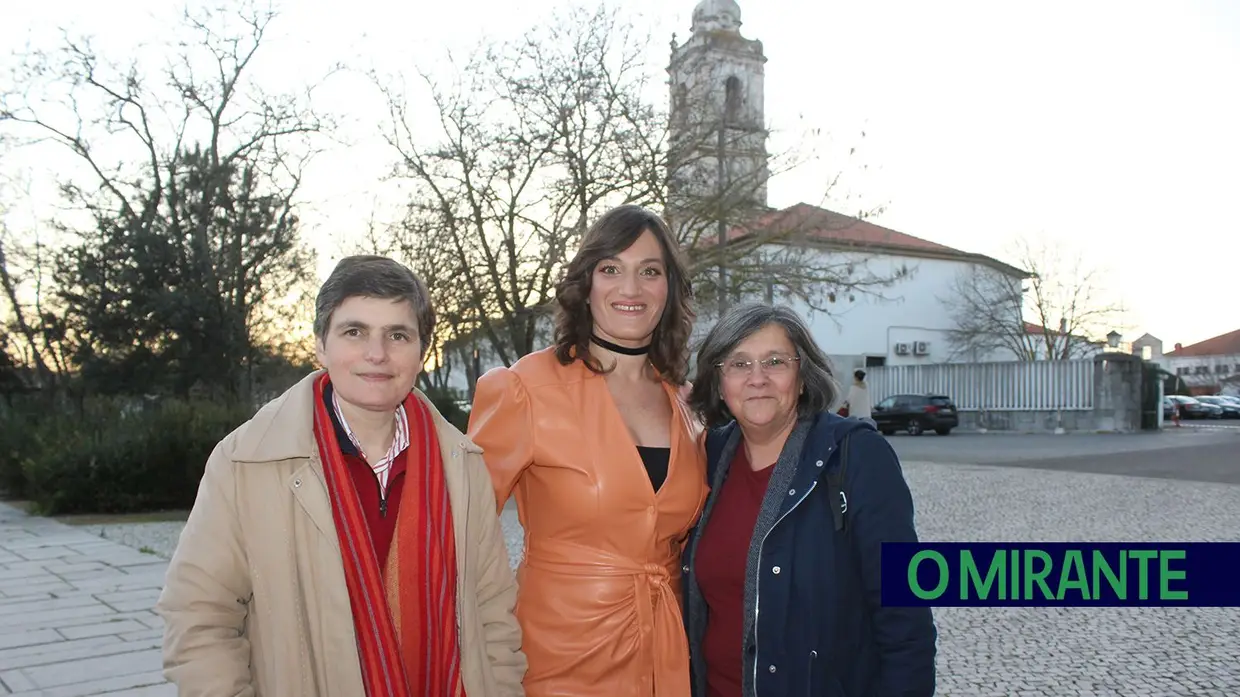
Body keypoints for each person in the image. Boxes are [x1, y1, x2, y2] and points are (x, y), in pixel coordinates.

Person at [157, 255, 526, 697]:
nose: (377, 354)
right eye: (355, 332)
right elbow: (200, 617)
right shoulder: (246, 462)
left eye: (397, 335)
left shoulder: (462, 465)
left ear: (420, 351)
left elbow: (493, 613)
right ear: (320, 345)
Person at [468, 205, 708, 697]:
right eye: (611, 269)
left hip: (667, 657)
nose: (631, 288)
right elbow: (458, 537)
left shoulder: (688, 404)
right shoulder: (523, 388)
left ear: (669, 288)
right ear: (587, 283)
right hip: (555, 660)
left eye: (650, 271)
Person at [682, 303, 936, 697]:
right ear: (719, 382)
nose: (758, 379)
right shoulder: (706, 459)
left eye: (775, 362)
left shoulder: (856, 456)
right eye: (739, 364)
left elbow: (905, 621)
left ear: (802, 377)